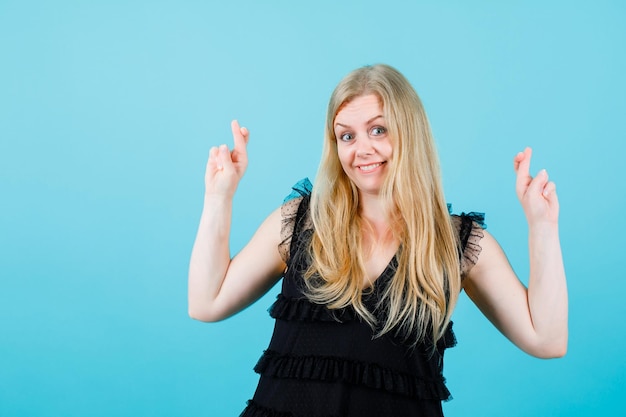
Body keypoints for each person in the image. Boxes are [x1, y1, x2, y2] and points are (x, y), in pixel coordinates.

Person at [188, 64, 568, 417]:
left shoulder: (455, 242)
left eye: (378, 130)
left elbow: (547, 339)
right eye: (346, 135)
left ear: (409, 132)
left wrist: (542, 225)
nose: (361, 149)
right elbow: (207, 302)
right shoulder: (302, 221)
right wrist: (219, 197)